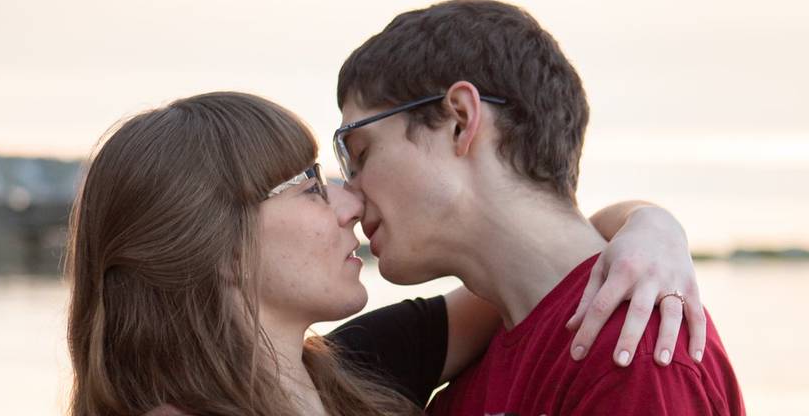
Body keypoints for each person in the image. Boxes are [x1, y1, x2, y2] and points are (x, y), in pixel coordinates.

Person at [66, 91, 703, 415]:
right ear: (216, 243)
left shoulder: (363, 365)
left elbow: (537, 270)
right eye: (312, 187)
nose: (351, 203)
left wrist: (650, 227)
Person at [334, 0, 745, 415]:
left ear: (459, 120)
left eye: (360, 154)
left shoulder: (634, 353)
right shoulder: (469, 385)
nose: (349, 193)